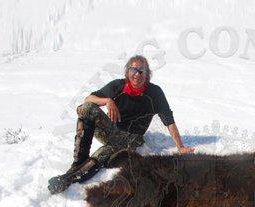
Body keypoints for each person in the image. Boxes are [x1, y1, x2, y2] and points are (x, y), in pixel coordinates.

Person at [48, 54, 194, 194]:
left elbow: (169, 120)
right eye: (133, 70)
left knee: (103, 154)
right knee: (86, 109)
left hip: (132, 138)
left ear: (147, 74)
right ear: (127, 71)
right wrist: (107, 100)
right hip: (112, 131)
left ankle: (69, 179)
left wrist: (180, 147)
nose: (137, 74)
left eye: (141, 71)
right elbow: (88, 99)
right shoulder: (117, 86)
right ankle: (79, 161)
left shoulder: (154, 93)